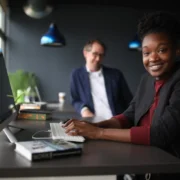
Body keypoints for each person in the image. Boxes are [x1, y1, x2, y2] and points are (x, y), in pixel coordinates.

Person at [65, 11, 180, 179]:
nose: (153, 58)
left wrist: (99, 133)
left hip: (167, 167)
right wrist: (95, 127)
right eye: (146, 53)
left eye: (162, 50)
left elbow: (160, 134)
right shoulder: (147, 80)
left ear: (177, 50)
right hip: (140, 159)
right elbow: (130, 114)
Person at [70, 39, 132, 118]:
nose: (98, 59)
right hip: (92, 123)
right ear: (85, 53)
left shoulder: (116, 74)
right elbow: (75, 99)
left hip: (115, 122)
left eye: (101, 55)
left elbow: (129, 100)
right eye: (95, 54)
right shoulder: (76, 74)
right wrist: (84, 109)